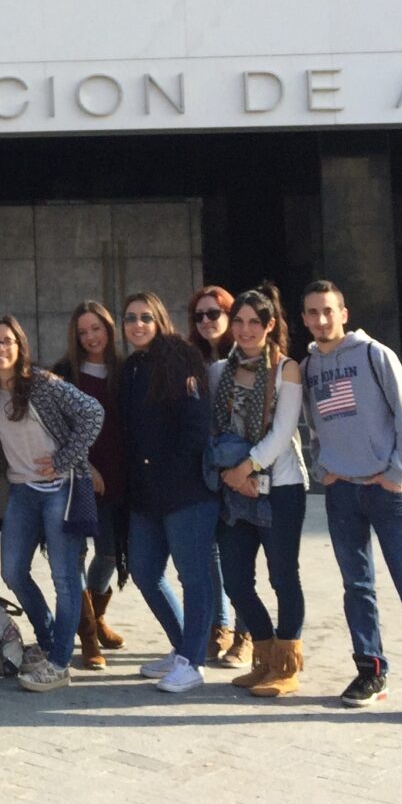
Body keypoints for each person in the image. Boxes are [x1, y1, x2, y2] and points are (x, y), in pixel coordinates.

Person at [301, 279, 402, 725]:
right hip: (342, 492)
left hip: (386, 492)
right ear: (304, 319)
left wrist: (398, 473)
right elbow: (314, 424)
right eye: (312, 312)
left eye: (328, 310)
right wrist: (323, 468)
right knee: (357, 587)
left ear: (344, 313)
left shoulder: (375, 355)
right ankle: (370, 671)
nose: (321, 319)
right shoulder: (309, 367)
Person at [0, 314, 106, 694]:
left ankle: (60, 662)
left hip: (60, 490)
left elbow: (93, 412)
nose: (0, 348)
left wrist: (66, 458)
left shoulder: (42, 384)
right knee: (13, 571)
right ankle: (49, 640)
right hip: (22, 491)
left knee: (65, 579)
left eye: (7, 341)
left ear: (20, 346)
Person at [208, 284, 308, 699]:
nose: (245, 329)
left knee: (282, 576)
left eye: (254, 322)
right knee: (235, 580)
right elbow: (213, 430)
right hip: (234, 490)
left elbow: (282, 432)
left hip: (279, 487)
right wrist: (230, 475)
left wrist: (245, 468)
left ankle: (286, 665)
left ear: (269, 326)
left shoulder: (286, 369)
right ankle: (263, 655)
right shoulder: (220, 372)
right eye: (239, 321)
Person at [119, 292, 216, 694]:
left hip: (185, 491)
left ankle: (193, 661)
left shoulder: (181, 358)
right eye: (130, 318)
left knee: (194, 576)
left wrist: (171, 473)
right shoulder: (131, 367)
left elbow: (196, 426)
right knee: (144, 570)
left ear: (160, 319)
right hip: (145, 495)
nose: (138, 324)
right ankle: (182, 648)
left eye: (145, 317)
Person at [51, 301, 128, 668]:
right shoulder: (64, 373)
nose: (91, 337)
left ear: (108, 329)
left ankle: (97, 615)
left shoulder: (124, 370)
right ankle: (88, 635)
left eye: (96, 328)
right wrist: (86, 466)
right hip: (78, 477)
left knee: (110, 554)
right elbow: (57, 429)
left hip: (118, 476)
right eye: (83, 332)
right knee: (77, 555)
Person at [187, 282, 250, 667]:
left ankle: (247, 633)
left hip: (242, 466)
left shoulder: (245, 355)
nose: (207, 320)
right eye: (199, 315)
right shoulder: (192, 360)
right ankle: (219, 626)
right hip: (207, 467)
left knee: (239, 553)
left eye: (215, 313)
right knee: (209, 550)